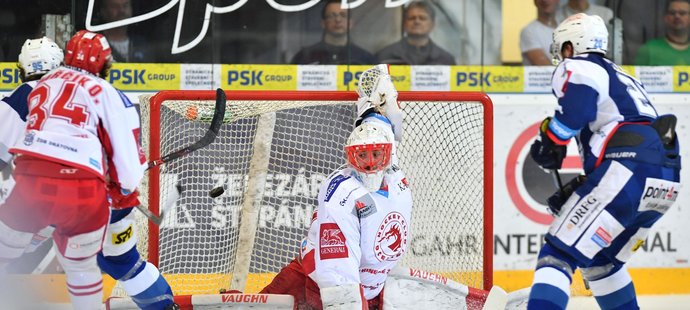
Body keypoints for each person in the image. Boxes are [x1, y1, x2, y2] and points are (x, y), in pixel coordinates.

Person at [0, 32, 177, 309]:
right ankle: (163, 306)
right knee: (121, 260)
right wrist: (123, 193)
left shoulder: (31, 94)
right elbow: (129, 172)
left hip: (40, 192)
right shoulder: (113, 96)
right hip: (90, 198)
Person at [527, 13, 681, 310]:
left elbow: (576, 112)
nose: (561, 56)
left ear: (571, 46)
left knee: (557, 254)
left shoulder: (577, 65)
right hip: (665, 176)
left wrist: (551, 140)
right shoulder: (622, 75)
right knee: (602, 262)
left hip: (629, 166)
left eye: (562, 49)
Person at [260, 65, 411, 309]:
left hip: (368, 289)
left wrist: (380, 101)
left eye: (377, 155)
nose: (371, 164)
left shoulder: (392, 172)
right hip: (319, 286)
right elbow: (337, 278)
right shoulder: (342, 195)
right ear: (350, 158)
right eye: (362, 156)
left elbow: (379, 128)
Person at [291, 0, 377, 65]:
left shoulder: (365, 58)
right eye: (332, 16)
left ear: (351, 23)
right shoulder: (305, 56)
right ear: (323, 23)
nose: (338, 20)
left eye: (343, 15)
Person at [375, 0, 455, 65]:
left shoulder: (445, 60)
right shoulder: (385, 56)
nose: (417, 21)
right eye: (411, 18)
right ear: (404, 23)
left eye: (422, 18)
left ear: (432, 24)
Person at [635, 0, 690, 65]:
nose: (677, 16)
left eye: (682, 13)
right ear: (665, 18)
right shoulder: (649, 49)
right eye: (672, 13)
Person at [520, 0, 560, 65]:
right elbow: (544, 68)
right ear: (535, 1)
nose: (545, 1)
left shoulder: (564, 28)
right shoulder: (529, 31)